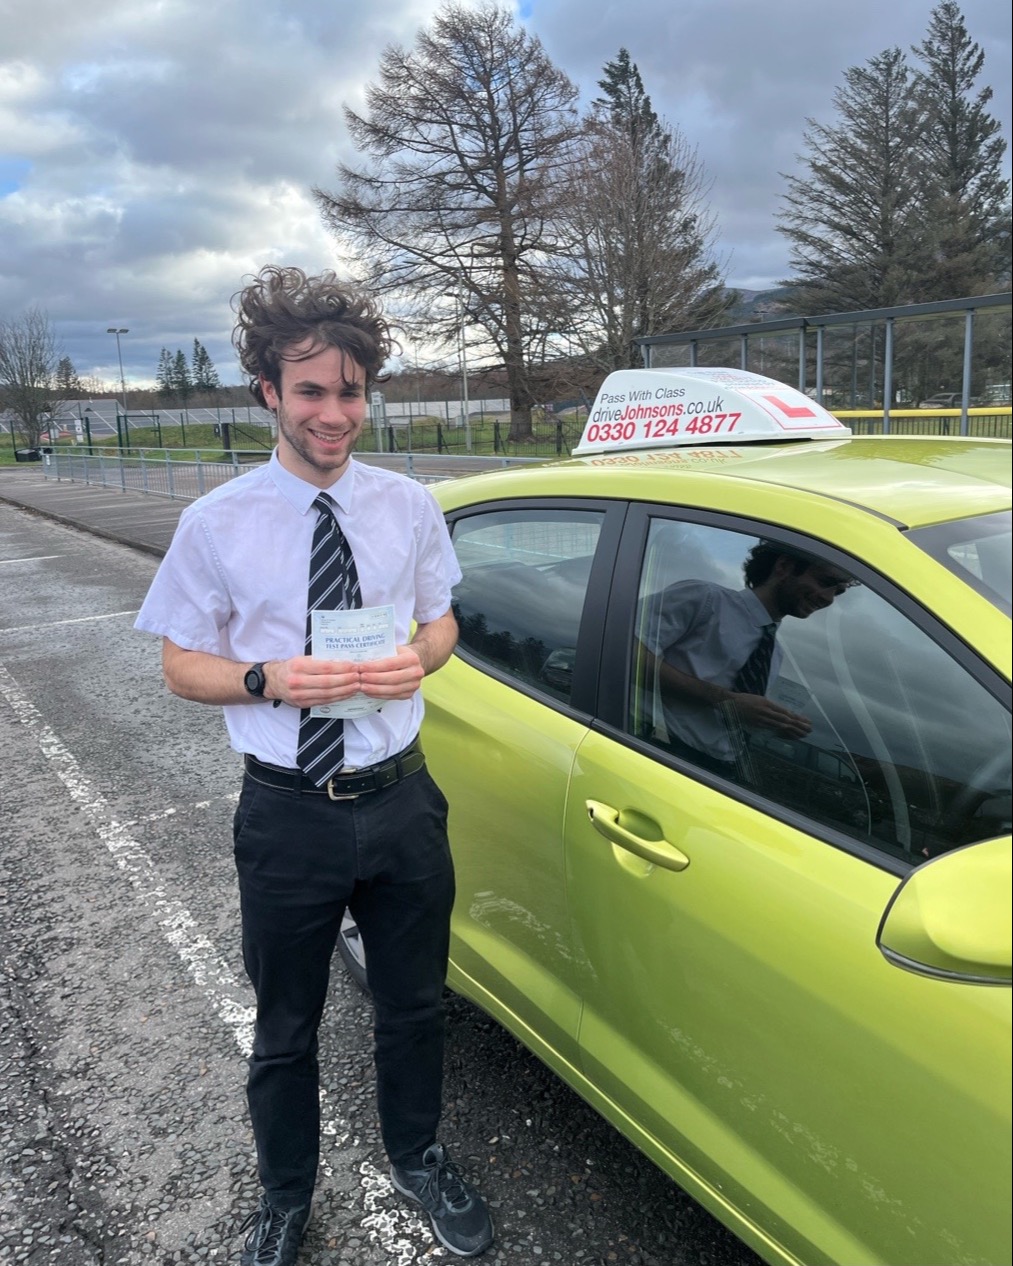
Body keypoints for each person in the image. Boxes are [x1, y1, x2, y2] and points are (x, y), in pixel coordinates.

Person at [134, 266, 494, 1264]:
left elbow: (442, 622)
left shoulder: (408, 508)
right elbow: (178, 665)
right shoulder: (217, 523)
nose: (334, 414)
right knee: (286, 1026)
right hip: (288, 812)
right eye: (311, 391)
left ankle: (417, 1155)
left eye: (349, 391)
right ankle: (285, 1195)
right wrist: (267, 678)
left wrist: (414, 660)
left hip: (400, 798)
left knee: (417, 1004)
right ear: (268, 394)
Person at [638, 541, 855, 778]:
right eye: (825, 582)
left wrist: (773, 723)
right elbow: (624, 652)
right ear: (783, 566)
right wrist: (726, 701)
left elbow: (738, 712)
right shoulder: (704, 599)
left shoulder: (774, 653)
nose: (830, 599)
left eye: (838, 592)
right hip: (656, 752)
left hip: (719, 770)